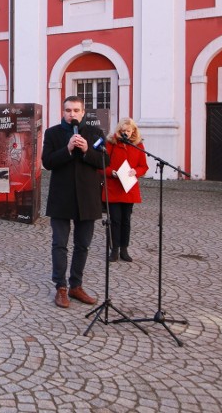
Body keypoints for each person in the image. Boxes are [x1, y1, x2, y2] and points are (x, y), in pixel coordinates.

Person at [41, 96, 108, 308]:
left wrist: (88, 149)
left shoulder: (95, 133)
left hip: (87, 198)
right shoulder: (53, 133)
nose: (72, 114)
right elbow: (47, 162)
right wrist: (68, 149)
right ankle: (60, 287)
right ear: (63, 112)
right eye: (68, 110)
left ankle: (76, 286)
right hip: (61, 197)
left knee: (83, 245)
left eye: (76, 110)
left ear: (83, 112)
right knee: (59, 244)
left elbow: (105, 162)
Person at [102, 118, 148, 262]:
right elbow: (101, 165)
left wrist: (136, 171)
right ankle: (114, 249)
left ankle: (124, 249)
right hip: (114, 187)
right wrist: (112, 173)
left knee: (126, 220)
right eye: (123, 131)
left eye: (128, 131)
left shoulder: (138, 145)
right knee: (115, 220)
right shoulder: (111, 144)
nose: (126, 134)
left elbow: (143, 166)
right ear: (119, 131)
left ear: (133, 131)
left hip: (129, 188)